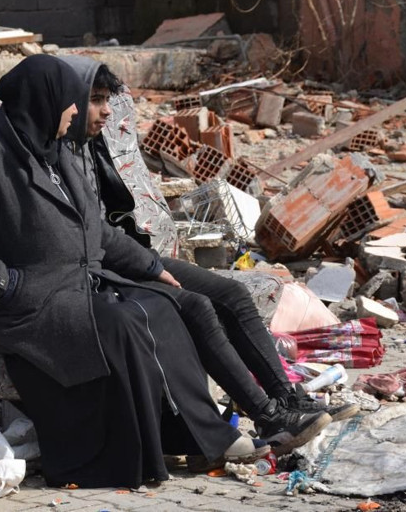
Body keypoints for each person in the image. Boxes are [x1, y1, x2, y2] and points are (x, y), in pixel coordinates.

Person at [0, 55, 268, 489]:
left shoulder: (57, 156)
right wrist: (11, 287)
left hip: (67, 289)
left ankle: (191, 431)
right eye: (71, 102)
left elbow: (98, 233)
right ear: (44, 101)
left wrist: (151, 266)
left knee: (163, 306)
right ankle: (122, 455)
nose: (74, 111)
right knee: (119, 322)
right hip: (10, 307)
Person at [60, 56, 360, 456]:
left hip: (126, 252)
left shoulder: (87, 146)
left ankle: (289, 401)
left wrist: (148, 258)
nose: (107, 111)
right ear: (70, 100)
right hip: (106, 267)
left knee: (232, 295)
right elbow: (91, 234)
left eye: (107, 100)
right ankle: (268, 416)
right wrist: (149, 266)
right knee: (199, 305)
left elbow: (110, 223)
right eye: (96, 100)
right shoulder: (57, 153)